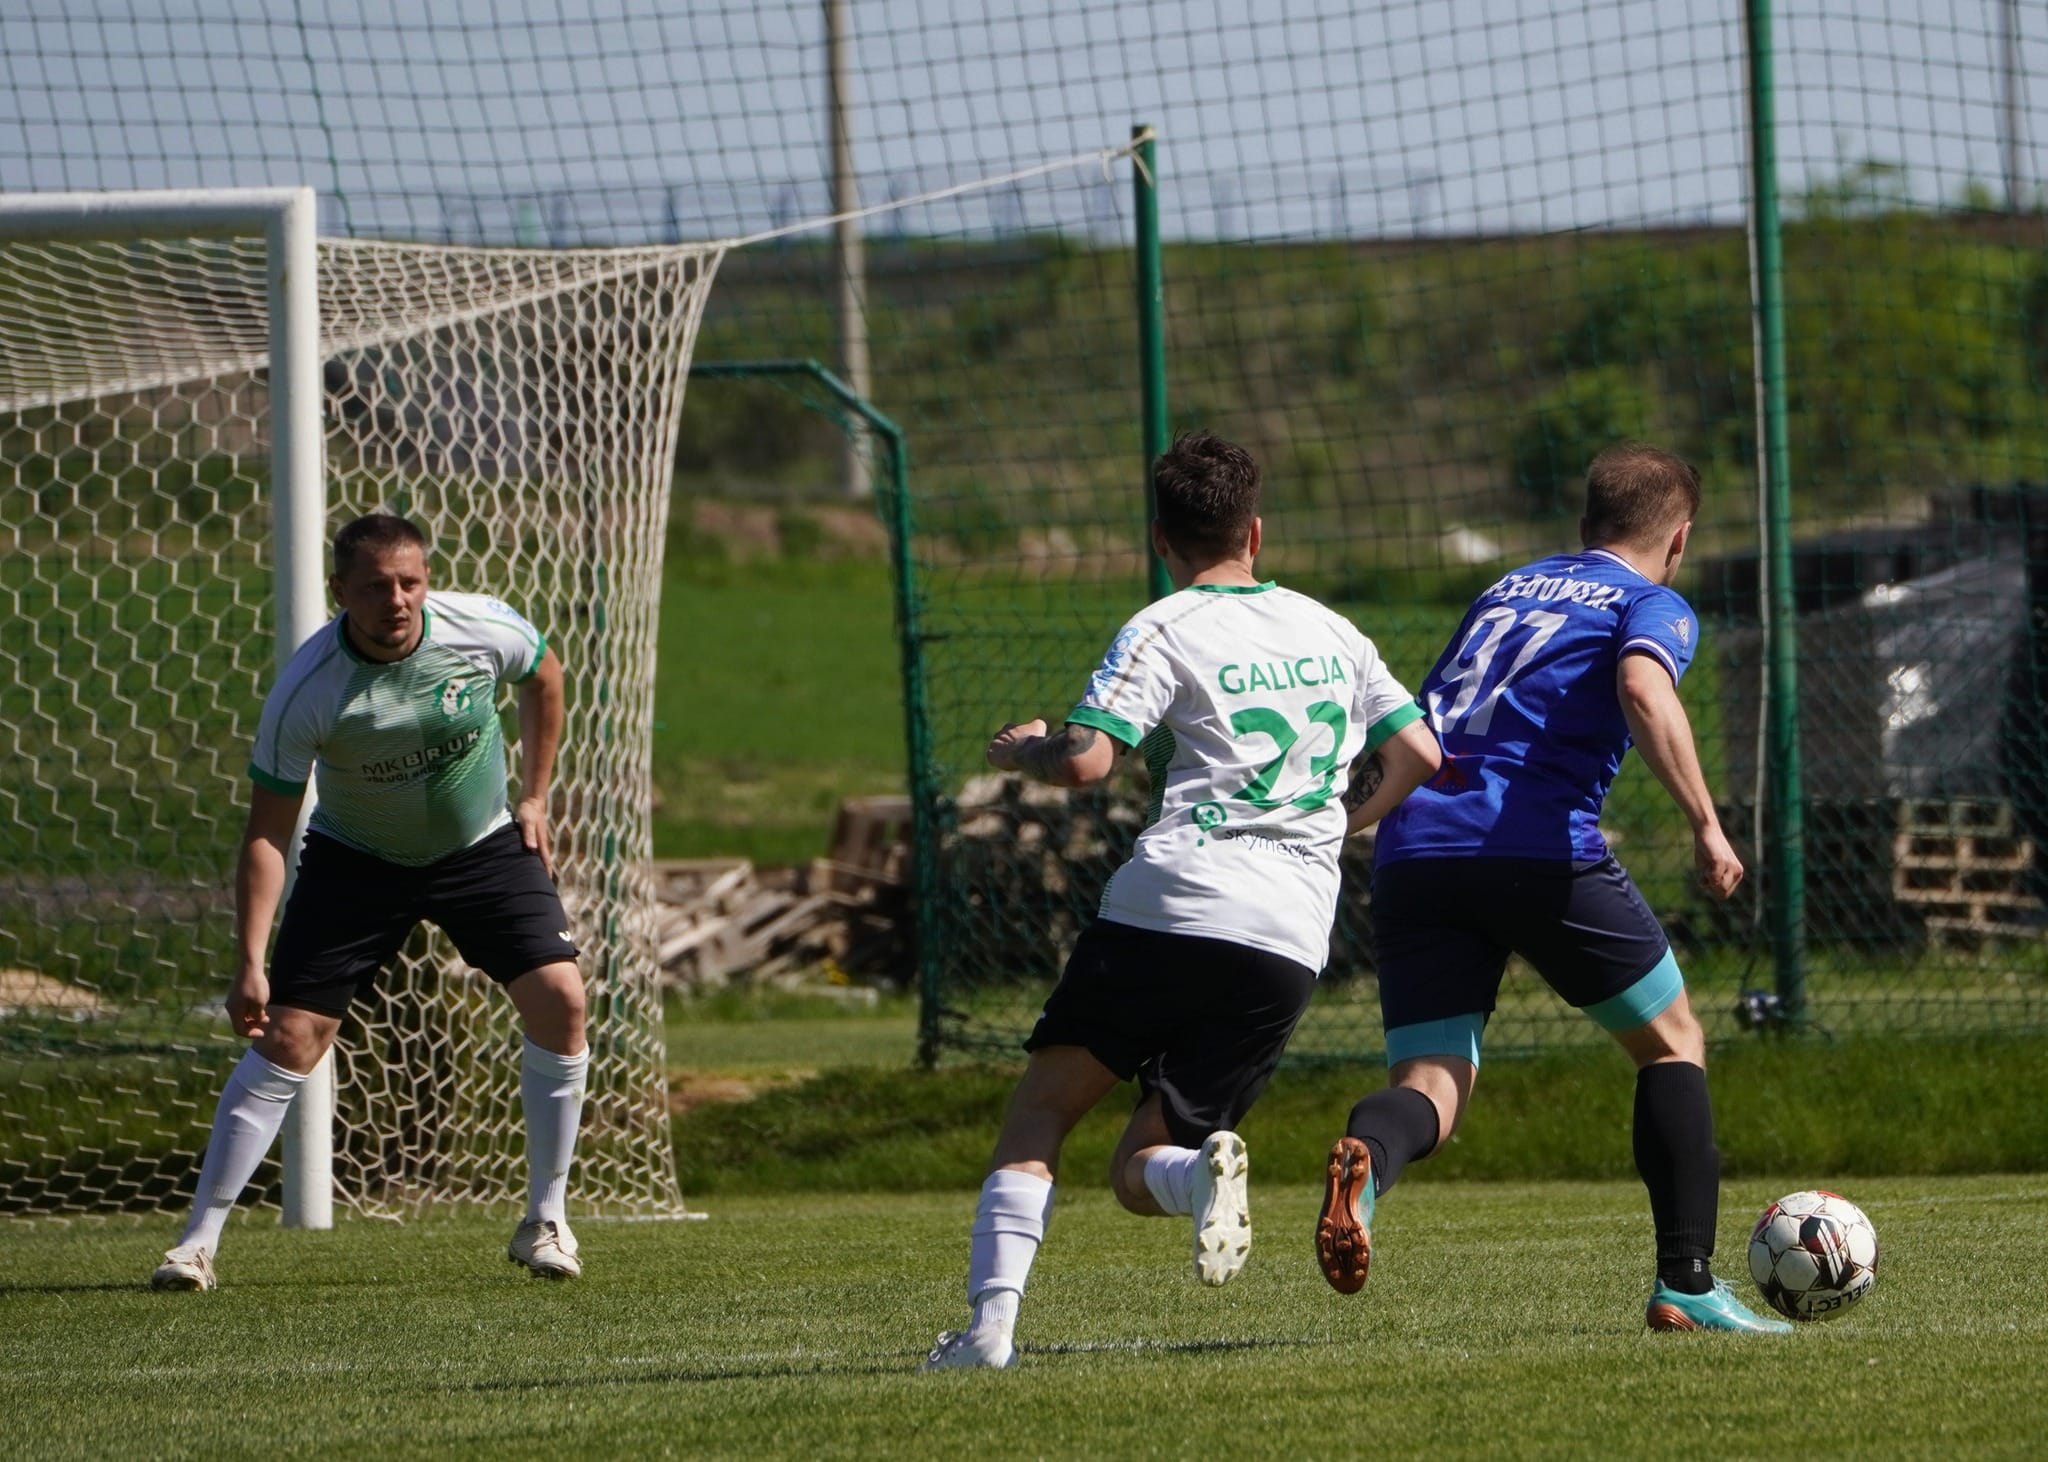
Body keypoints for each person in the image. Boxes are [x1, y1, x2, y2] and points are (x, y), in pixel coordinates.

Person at [921, 432, 1442, 1370]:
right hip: (1288, 932)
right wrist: (1342, 827)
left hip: (1174, 903)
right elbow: (1420, 756)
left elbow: (1086, 761)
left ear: (1161, 538)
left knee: (1040, 1115)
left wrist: (1025, 748)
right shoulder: (1333, 629)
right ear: (1256, 529)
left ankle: (988, 1332)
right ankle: (1198, 1173)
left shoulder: (1165, 624)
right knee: (1137, 1170)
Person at [1316, 442, 1790, 1333]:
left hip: (1415, 847)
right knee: (1672, 1041)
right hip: (1536, 847)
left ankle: (1369, 1160)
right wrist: (1705, 823)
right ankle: (1686, 1282)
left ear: (1584, 526)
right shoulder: (1653, 602)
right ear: (1678, 538)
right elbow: (1645, 690)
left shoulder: (1505, 589)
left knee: (1431, 1080)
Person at [150, 512, 589, 1290]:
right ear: (339, 591)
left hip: (482, 847)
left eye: (411, 581)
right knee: (288, 1038)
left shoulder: (484, 627)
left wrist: (535, 797)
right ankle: (196, 1244)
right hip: (358, 860)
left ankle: (545, 1222)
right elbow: (266, 833)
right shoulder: (308, 690)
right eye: (377, 586)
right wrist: (249, 961)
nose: (398, 599)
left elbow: (545, 677)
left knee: (561, 998)